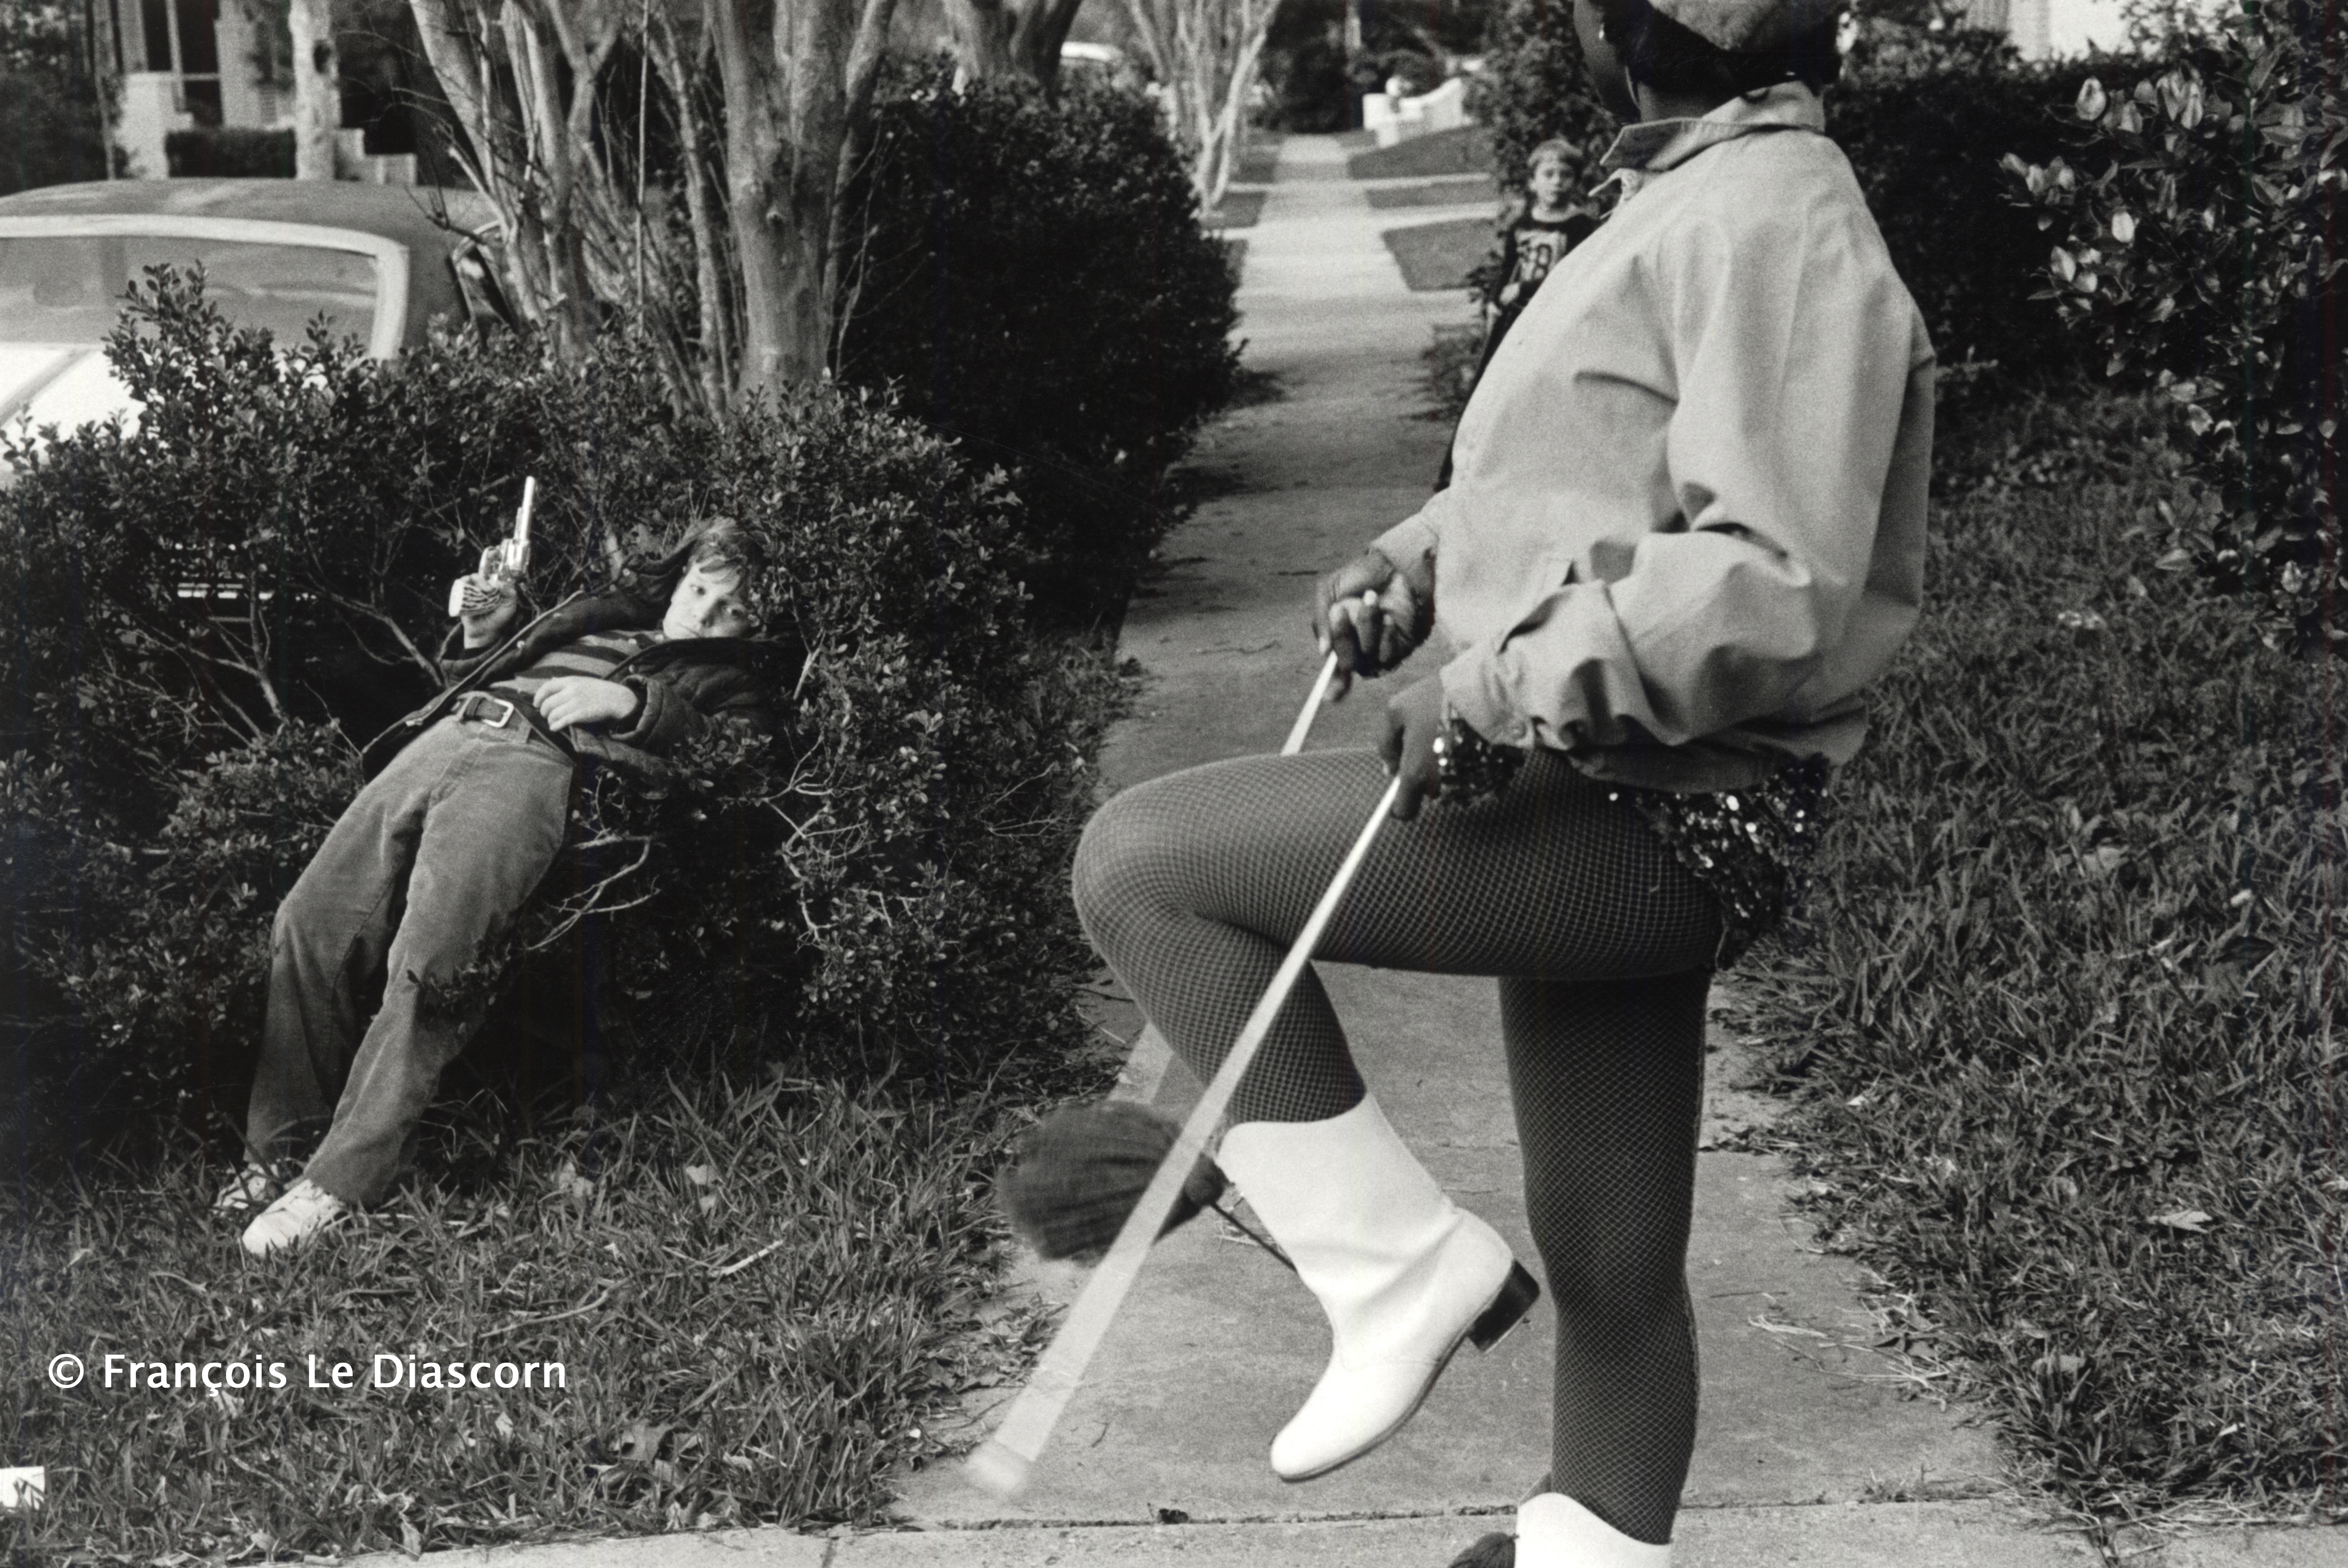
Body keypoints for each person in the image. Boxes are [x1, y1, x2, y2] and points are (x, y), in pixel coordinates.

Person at [1068, 0, 1933, 1556]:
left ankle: (1393, 1268)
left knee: (1143, 862)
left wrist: (1496, 680)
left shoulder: (1772, 219)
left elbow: (1774, 577)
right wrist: (1412, 567)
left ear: (1636, 32)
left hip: (1644, 803)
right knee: (1609, 1260)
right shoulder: (1695, 192)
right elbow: (1583, 485)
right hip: (1616, 774)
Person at [222, 517, 786, 1258]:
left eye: (731, 611)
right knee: (309, 922)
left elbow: (743, 757)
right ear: (680, 577)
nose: (704, 615)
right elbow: (476, 673)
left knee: (434, 959)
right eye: (700, 591)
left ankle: (341, 1179)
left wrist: (634, 707)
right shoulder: (601, 614)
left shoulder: (733, 681)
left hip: (535, 764)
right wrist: (484, 633)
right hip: (449, 734)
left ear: (754, 627)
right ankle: (279, 1150)